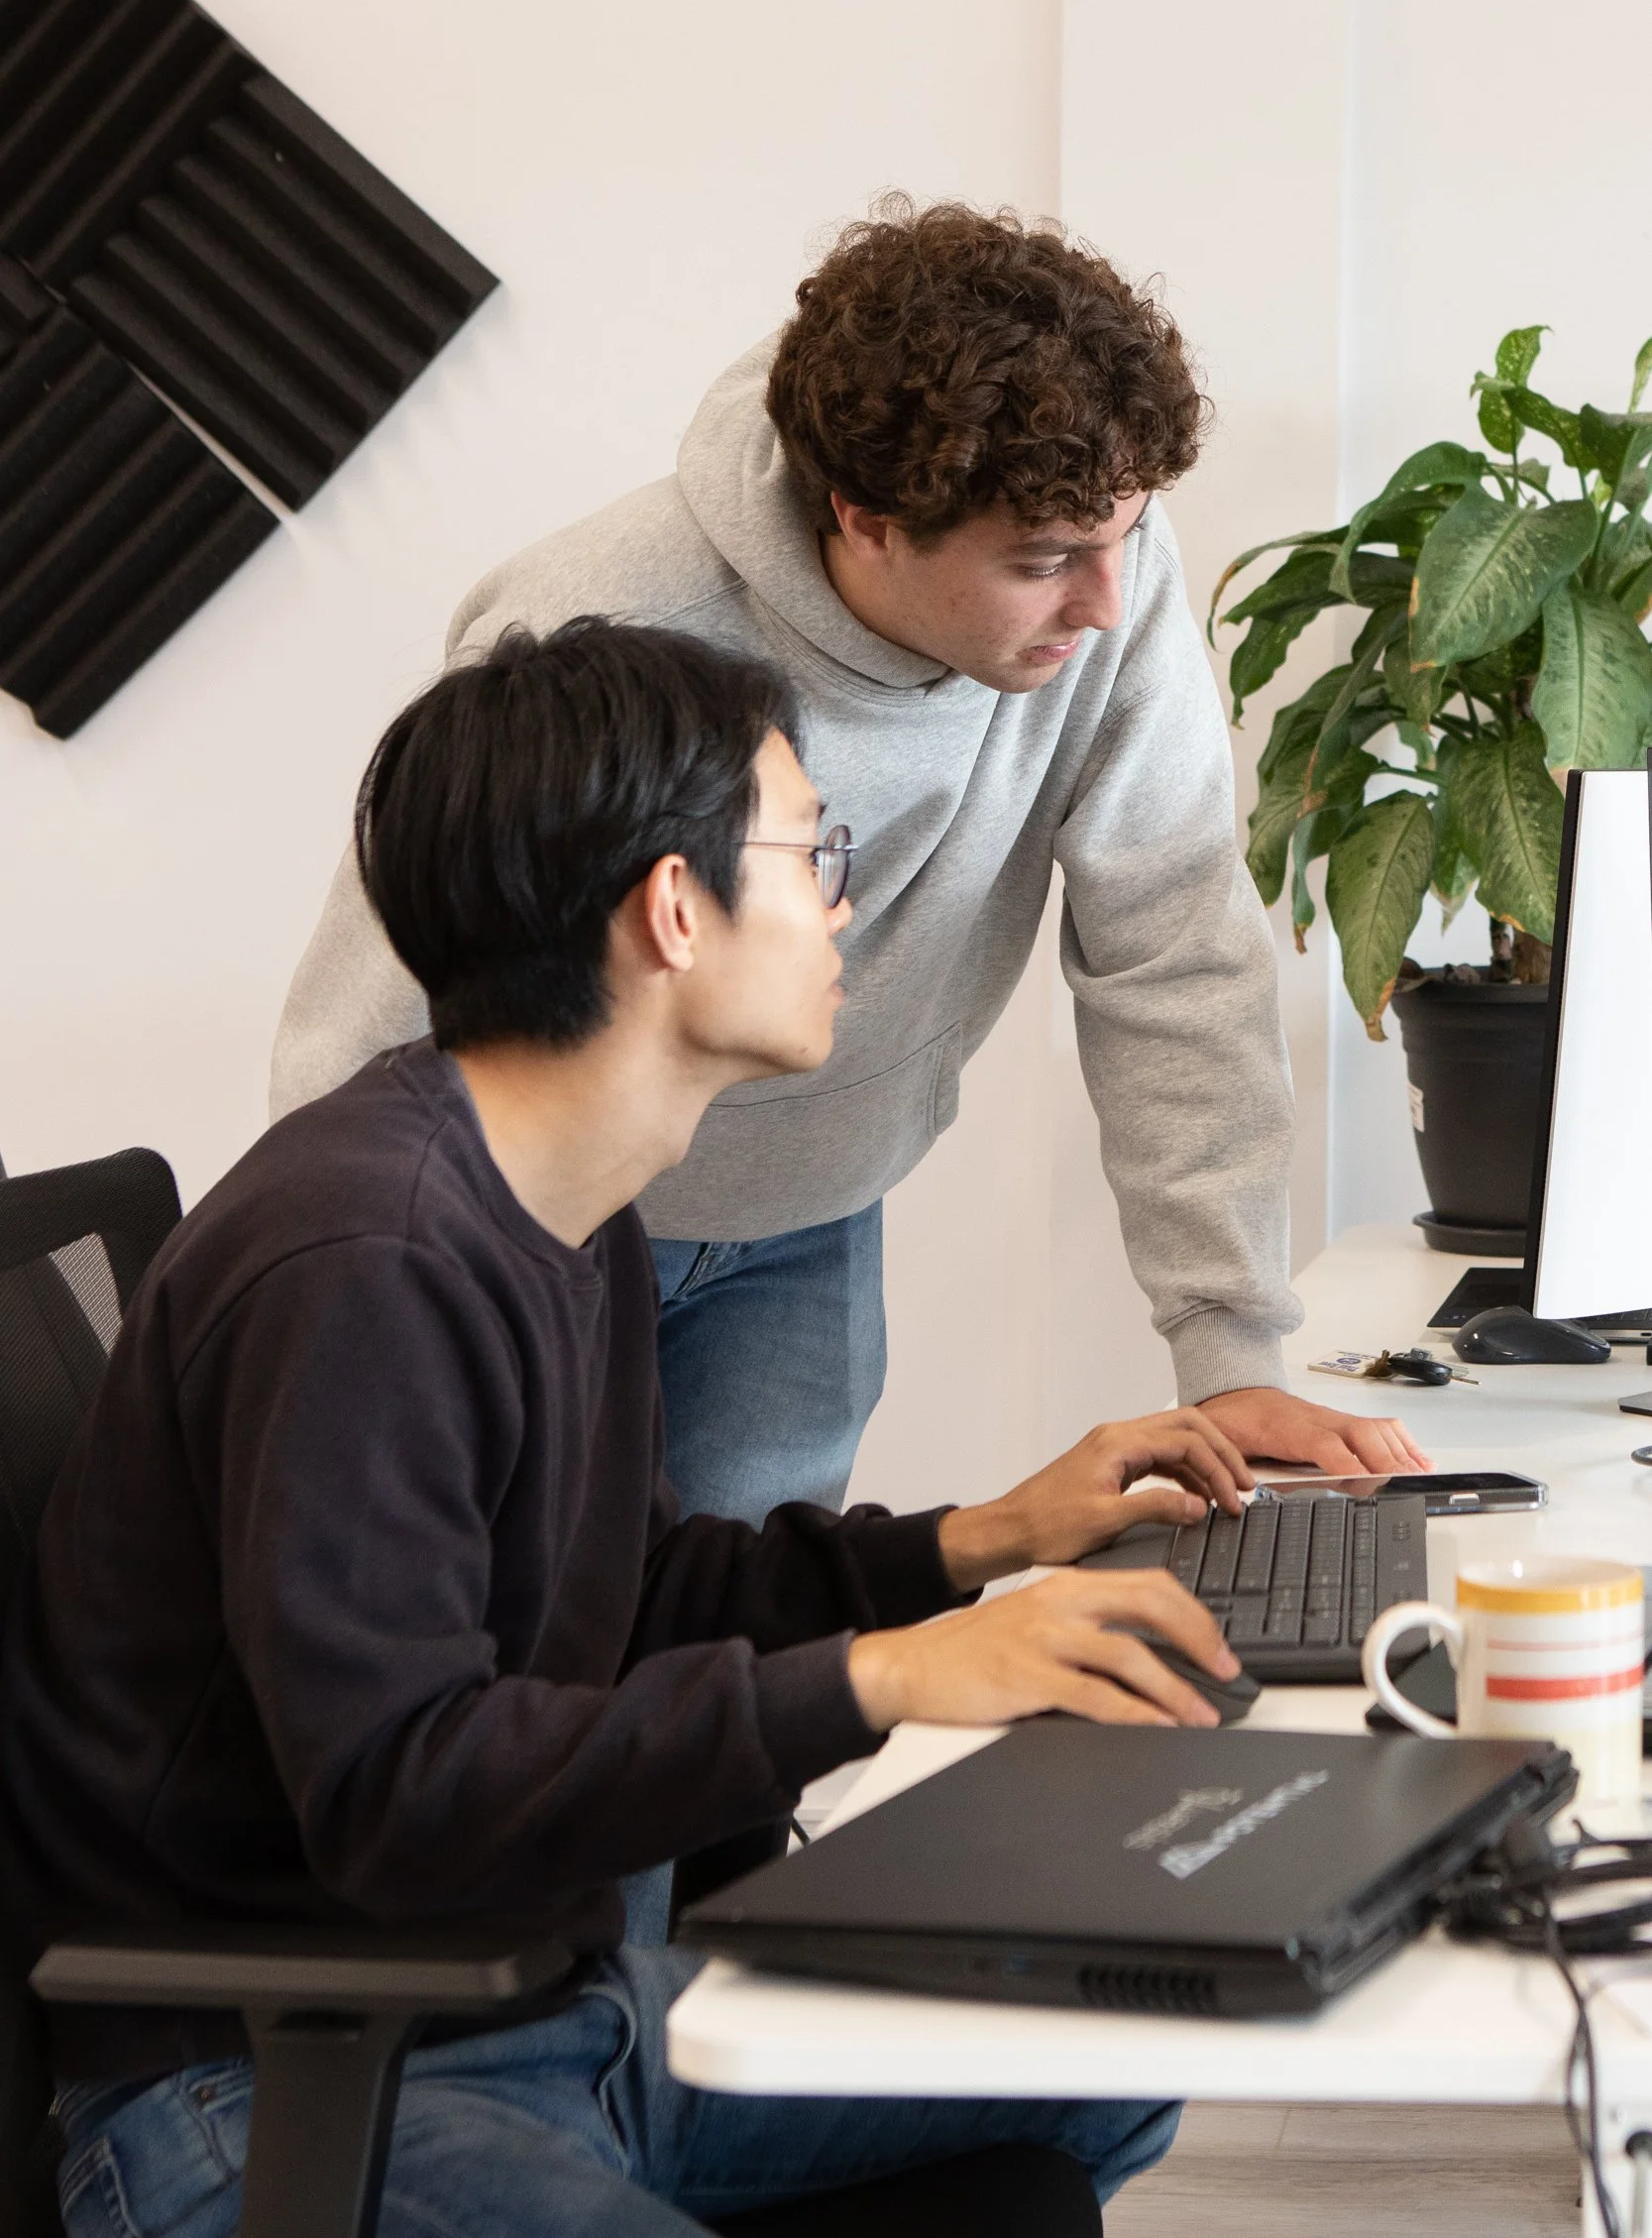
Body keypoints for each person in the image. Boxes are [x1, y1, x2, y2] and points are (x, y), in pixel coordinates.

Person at [2, 619, 1262, 2237]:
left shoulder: (564, 1196)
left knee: (1114, 2046)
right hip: (265, 2086)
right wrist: (879, 1679)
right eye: (812, 854)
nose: (842, 907)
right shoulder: (365, 1263)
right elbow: (397, 1789)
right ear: (675, 908)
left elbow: (634, 1595)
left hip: (532, 2015)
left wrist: (981, 1543)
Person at [273, 200, 1426, 1533]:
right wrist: (361, 1313)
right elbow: (385, 1010)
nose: (1107, 602)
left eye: (1127, 535)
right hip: (545, 1228)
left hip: (814, 1211)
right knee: (525, 1629)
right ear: (864, 518)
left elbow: (1173, 943)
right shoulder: (608, 621)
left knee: (754, 1631)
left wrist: (1231, 1356)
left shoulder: (1102, 570)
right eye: (1044, 561)